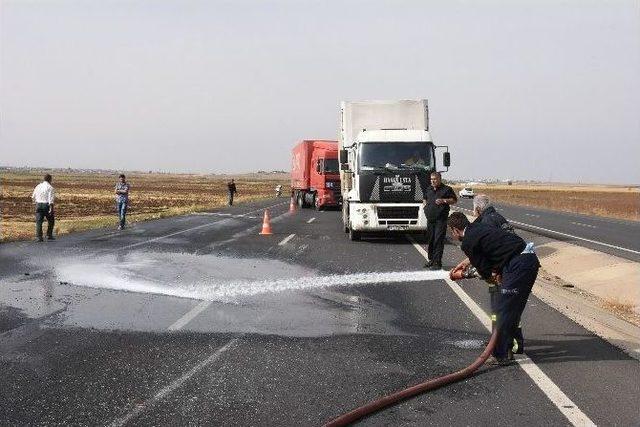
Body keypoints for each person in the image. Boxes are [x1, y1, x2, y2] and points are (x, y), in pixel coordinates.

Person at [447, 211, 540, 365]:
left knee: (504, 310)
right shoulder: (478, 229)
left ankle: (500, 354)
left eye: (451, 231)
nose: (452, 235)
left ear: (456, 230)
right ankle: (508, 347)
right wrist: (470, 264)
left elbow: (484, 270)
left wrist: (464, 275)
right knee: (511, 309)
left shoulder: (468, 242)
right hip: (525, 260)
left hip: (519, 265)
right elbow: (491, 251)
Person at [422, 171, 457, 270]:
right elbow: (424, 198)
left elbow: (454, 200)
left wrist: (444, 200)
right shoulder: (428, 189)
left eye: (435, 179)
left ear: (439, 179)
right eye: (431, 179)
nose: (433, 181)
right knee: (431, 239)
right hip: (430, 219)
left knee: (438, 240)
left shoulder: (447, 189)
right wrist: (425, 207)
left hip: (440, 220)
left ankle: (437, 262)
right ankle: (431, 260)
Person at [31, 174, 55, 241]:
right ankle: (49, 235)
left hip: (38, 204)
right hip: (46, 205)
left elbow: (33, 196)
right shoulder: (50, 187)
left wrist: (35, 203)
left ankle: (39, 237)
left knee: (39, 221)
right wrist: (51, 208)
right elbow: (51, 199)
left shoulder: (38, 186)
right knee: (51, 221)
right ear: (50, 179)